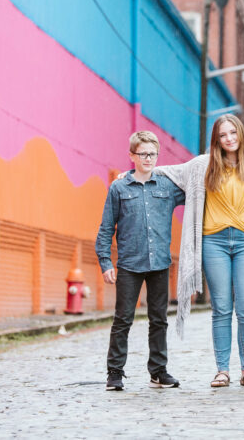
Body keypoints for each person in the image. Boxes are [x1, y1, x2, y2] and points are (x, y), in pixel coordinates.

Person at [150, 114, 244, 388]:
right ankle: (222, 371)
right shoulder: (203, 166)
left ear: (241, 134)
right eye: (222, 135)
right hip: (213, 242)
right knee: (221, 308)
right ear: (216, 140)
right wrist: (137, 174)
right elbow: (170, 172)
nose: (228, 139)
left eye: (232, 133)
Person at [95, 130, 185, 391]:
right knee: (123, 319)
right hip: (129, 264)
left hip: (159, 264)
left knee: (159, 319)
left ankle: (158, 371)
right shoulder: (119, 187)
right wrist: (105, 261)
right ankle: (114, 373)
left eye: (152, 154)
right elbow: (106, 227)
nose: (148, 158)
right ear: (132, 156)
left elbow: (196, 190)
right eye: (143, 154)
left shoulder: (167, 186)